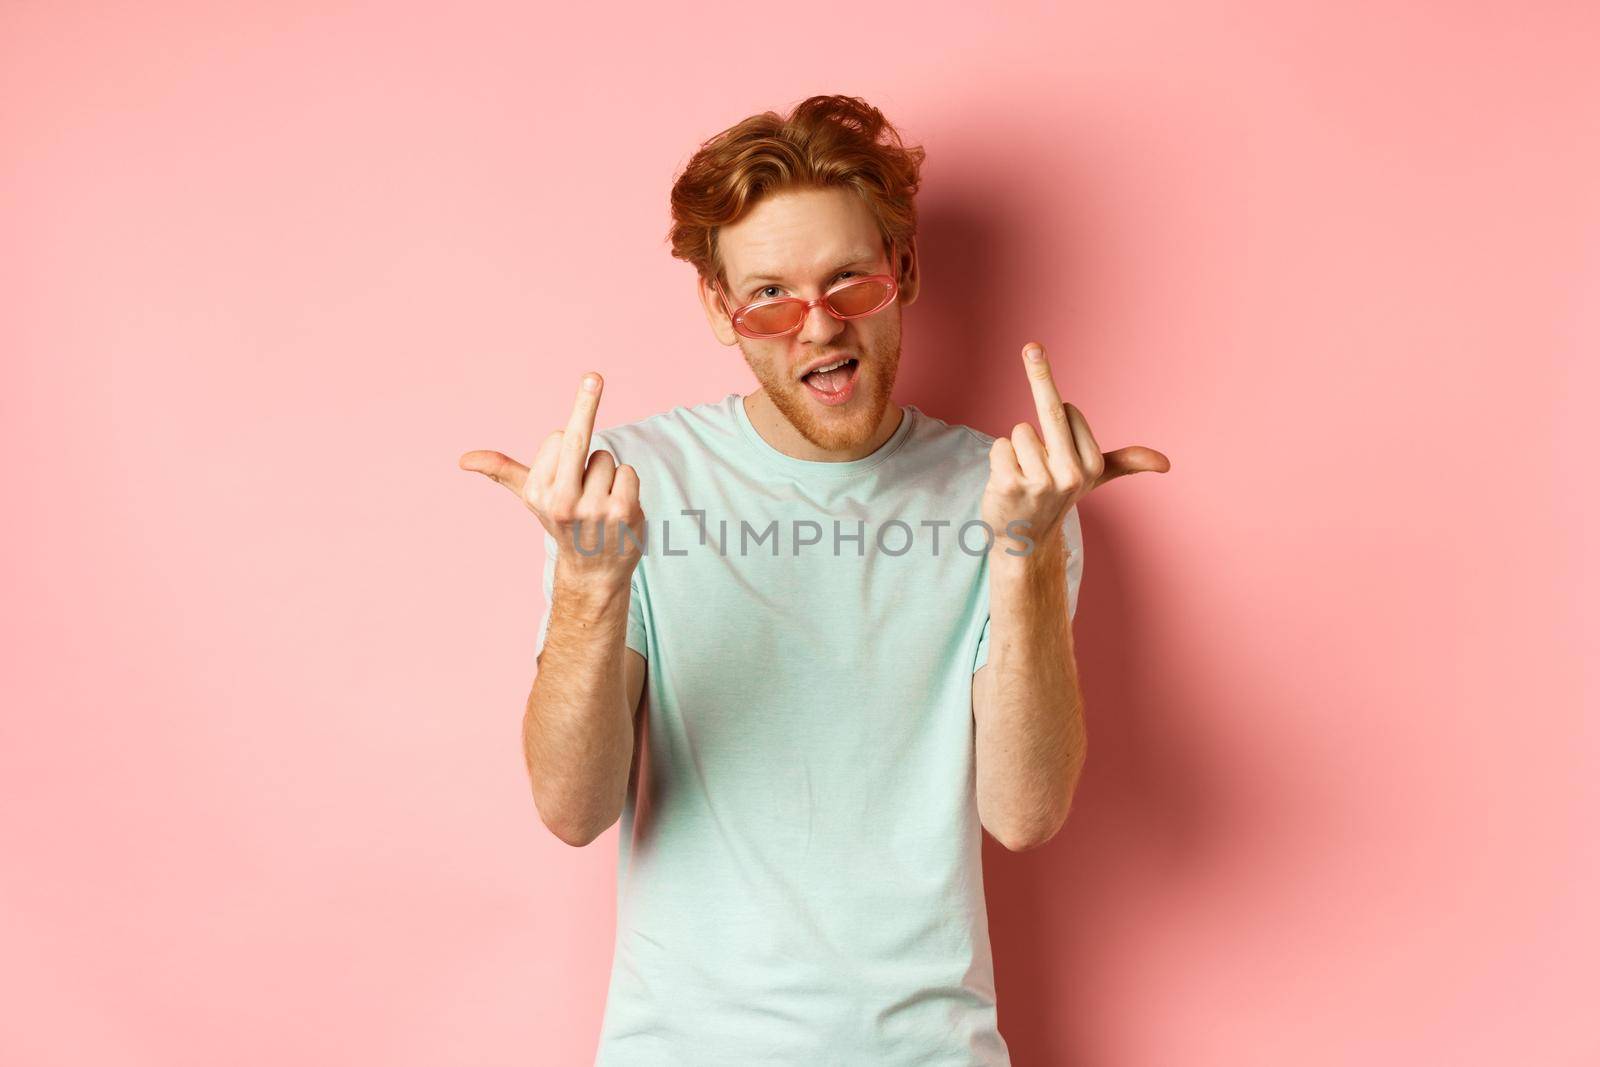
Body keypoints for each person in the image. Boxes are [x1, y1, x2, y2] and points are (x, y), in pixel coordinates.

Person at [460, 94, 1169, 1066]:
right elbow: (572, 809)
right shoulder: (627, 487)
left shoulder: (1011, 491)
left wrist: (1027, 555)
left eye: (851, 283)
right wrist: (591, 579)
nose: (818, 327)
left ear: (904, 270)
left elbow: (1025, 811)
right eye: (770, 295)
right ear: (721, 307)